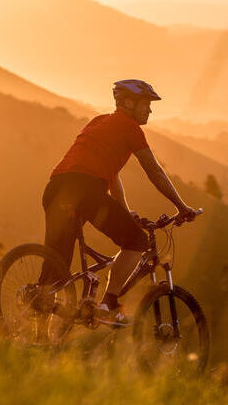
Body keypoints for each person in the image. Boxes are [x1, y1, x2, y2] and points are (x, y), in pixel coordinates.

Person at [41, 79, 199, 326]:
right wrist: (181, 206)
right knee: (136, 241)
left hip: (56, 189)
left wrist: (125, 212)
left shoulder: (99, 122)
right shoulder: (130, 129)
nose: (150, 110)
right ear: (127, 103)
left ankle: (35, 331)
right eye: (145, 105)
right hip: (85, 190)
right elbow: (154, 171)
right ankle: (108, 303)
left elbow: (111, 175)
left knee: (56, 262)